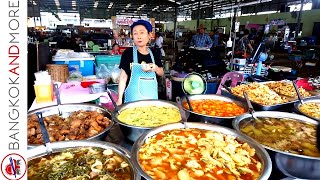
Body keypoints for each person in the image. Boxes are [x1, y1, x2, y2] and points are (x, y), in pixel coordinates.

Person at [116, 20, 164, 105]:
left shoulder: (155, 53)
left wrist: (155, 68)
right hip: (132, 100)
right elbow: (123, 77)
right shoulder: (128, 53)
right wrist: (119, 99)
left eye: (142, 33)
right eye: (135, 33)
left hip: (152, 100)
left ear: (149, 35)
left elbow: (161, 72)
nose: (138, 36)